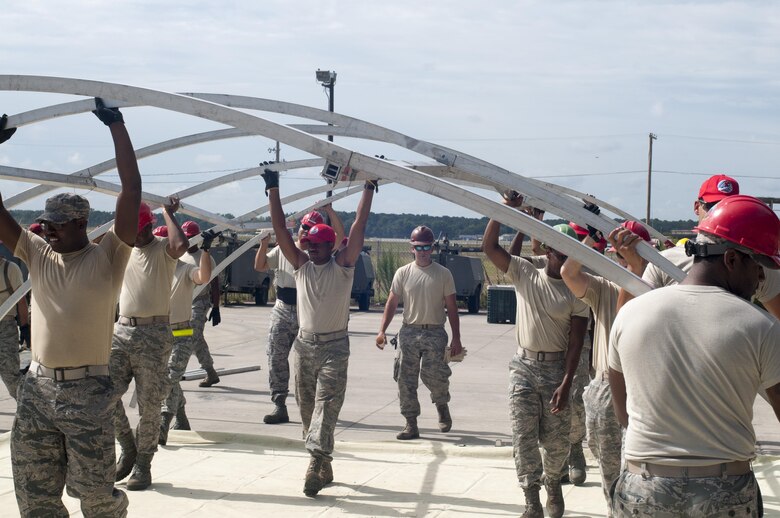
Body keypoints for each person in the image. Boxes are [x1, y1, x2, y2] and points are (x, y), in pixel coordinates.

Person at [0, 99, 140, 516]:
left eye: (57, 224)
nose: (47, 230)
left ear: (81, 223)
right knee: (34, 492)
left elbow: (130, 192)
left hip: (88, 392)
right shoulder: (38, 252)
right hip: (37, 389)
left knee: (95, 494)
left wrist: (117, 125)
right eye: (45, 224)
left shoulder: (108, 256)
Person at [608, 194, 780, 517]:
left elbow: (623, 414)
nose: (761, 279)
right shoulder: (761, 327)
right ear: (731, 259)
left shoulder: (630, 315)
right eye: (759, 266)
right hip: (725, 493)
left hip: (643, 491)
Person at [263, 168, 375, 497]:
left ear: (331, 245)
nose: (312, 249)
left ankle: (314, 462)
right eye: (309, 244)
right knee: (307, 411)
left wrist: (367, 189)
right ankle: (323, 463)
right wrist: (273, 189)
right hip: (305, 347)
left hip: (334, 348)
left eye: (318, 245)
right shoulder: (301, 267)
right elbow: (281, 229)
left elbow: (358, 227)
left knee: (326, 407)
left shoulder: (343, 266)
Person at [482, 194, 589, 518]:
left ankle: (553, 483)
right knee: (523, 436)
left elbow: (576, 342)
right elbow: (491, 249)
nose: (562, 260)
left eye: (568, 254)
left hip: (557, 369)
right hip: (524, 368)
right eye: (557, 252)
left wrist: (568, 381)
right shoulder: (527, 272)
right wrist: (505, 211)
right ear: (549, 249)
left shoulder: (578, 290)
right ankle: (531, 498)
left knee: (555, 443)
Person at [560, 220, 651, 516]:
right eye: (620, 255)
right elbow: (568, 273)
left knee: (635, 469)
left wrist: (638, 272)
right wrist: (591, 239)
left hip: (643, 389)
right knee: (607, 463)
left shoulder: (661, 292)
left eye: (629, 255)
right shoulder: (606, 289)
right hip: (604, 387)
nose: (622, 261)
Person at [111, 198, 188, 491]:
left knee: (150, 404)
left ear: (150, 226)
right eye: (135, 228)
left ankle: (143, 464)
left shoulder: (161, 250)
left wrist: (168, 213)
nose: (139, 234)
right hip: (122, 330)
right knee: (104, 394)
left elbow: (180, 246)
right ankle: (127, 446)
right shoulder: (122, 250)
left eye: (144, 228)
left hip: (153, 334)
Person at [638, 174, 780, 319]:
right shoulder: (663, 261)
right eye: (713, 206)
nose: (721, 212)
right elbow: (638, 316)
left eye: (729, 207)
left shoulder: (755, 263)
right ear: (696, 206)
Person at [254, 206, 344, 425]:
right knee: (276, 356)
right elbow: (259, 265)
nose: (306, 232)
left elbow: (339, 237)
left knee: (310, 361)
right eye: (304, 227)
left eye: (311, 228)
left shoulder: (319, 253)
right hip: (284, 307)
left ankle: (312, 406)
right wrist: (264, 243)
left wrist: (331, 211)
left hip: (308, 310)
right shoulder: (287, 249)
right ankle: (279, 403)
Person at [375, 225, 462, 440]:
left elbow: (452, 308)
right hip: (409, 332)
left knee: (436, 375)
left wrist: (457, 338)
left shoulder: (443, 274)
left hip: (435, 332)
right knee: (405, 378)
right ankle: (410, 423)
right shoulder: (403, 273)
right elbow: (392, 302)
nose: (422, 251)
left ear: (432, 248)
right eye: (418, 247)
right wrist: (382, 331)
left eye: (426, 247)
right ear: (411, 248)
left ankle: (442, 406)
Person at [158, 224, 216, 442]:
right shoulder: (153, 270)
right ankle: (181, 417)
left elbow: (204, 276)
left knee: (170, 377)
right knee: (166, 379)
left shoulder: (183, 268)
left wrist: (207, 251)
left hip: (181, 332)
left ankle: (165, 421)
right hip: (159, 334)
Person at [181, 221, 222, 390]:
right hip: (183, 302)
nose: (189, 241)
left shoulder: (205, 257)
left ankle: (206, 370)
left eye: (191, 238)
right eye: (186, 237)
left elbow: (214, 283)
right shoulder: (180, 256)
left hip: (200, 302)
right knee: (186, 336)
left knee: (193, 334)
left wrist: (216, 307)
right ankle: (210, 371)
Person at [0, 253, 28, 398]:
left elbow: (21, 301)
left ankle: (26, 411)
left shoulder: (10, 269)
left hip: (6, 328)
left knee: (10, 375)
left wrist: (24, 327)